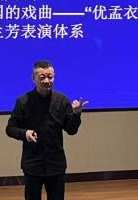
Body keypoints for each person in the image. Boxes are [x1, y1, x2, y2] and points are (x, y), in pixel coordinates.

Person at [6, 60, 87, 200]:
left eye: (50, 76)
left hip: (55, 163)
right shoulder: (23, 101)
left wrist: (76, 114)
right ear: (33, 78)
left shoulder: (62, 100)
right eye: (42, 77)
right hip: (32, 162)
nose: (47, 81)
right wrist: (25, 133)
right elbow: (10, 128)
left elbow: (71, 130)